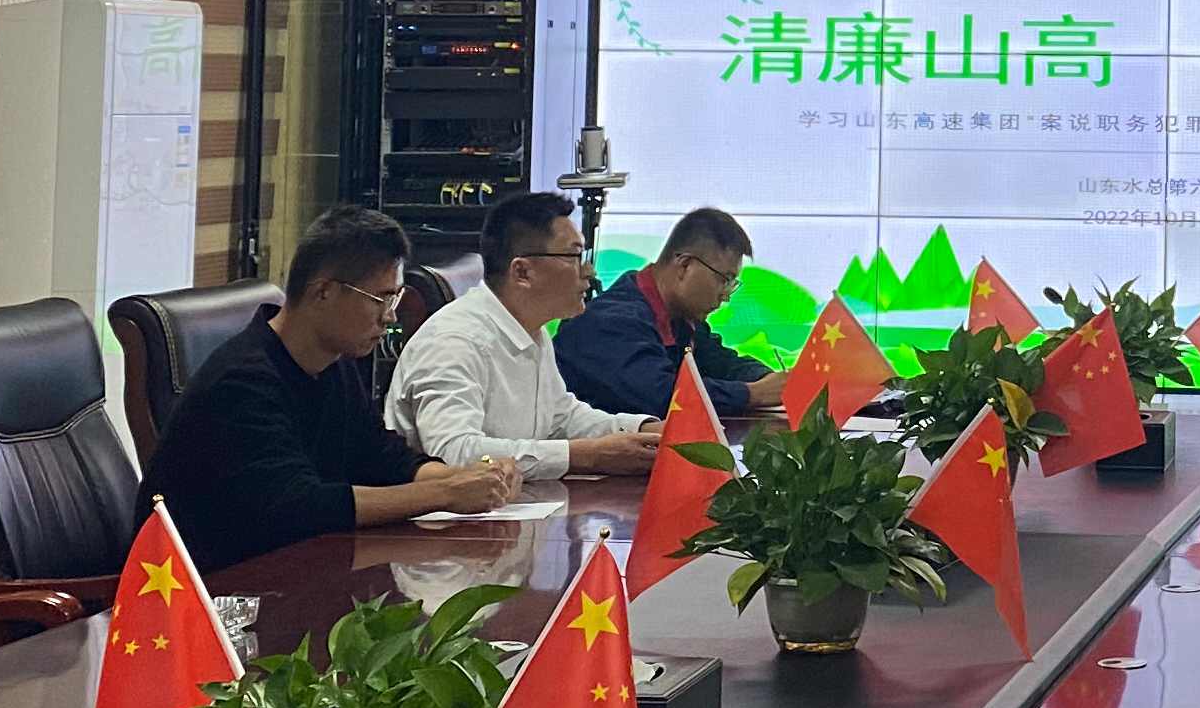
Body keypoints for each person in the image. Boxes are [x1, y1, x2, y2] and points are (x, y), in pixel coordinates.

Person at [146, 206, 518, 568]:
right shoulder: (241, 383)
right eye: (380, 299)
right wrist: (445, 493)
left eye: (395, 298)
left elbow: (379, 456)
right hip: (213, 586)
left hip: (298, 566)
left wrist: (468, 478)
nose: (390, 317)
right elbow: (301, 506)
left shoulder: (333, 363)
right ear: (323, 292)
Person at [386, 189, 662, 482]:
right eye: (574, 256)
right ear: (522, 272)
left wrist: (647, 430)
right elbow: (453, 453)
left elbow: (562, 418)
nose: (589, 271)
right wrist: (584, 456)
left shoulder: (532, 329)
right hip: (437, 511)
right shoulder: (454, 341)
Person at [556, 204, 788, 420]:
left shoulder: (681, 319)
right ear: (685, 265)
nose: (725, 296)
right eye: (724, 280)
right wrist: (753, 394)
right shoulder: (612, 322)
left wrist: (772, 381)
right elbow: (662, 396)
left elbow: (723, 364)